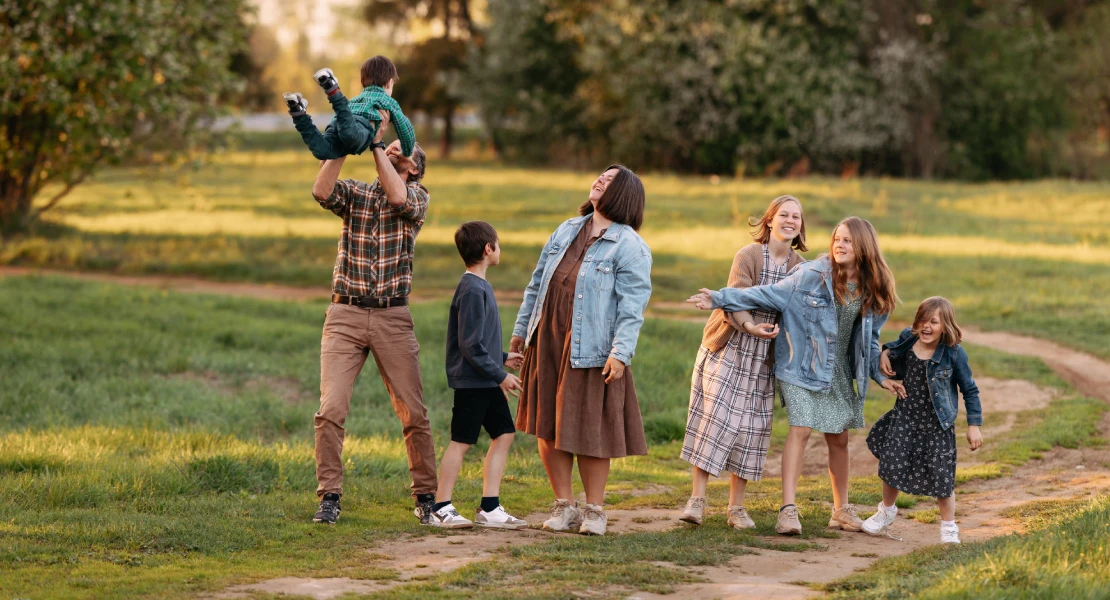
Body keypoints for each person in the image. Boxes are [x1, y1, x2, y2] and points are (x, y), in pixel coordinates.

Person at [687, 216, 900, 536]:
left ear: (864, 247)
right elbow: (767, 294)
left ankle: (840, 510)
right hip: (802, 364)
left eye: (848, 241)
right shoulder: (813, 274)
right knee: (800, 430)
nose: (840, 245)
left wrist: (879, 376)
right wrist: (719, 298)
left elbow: (868, 340)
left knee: (839, 439)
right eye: (837, 239)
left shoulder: (874, 287)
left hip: (838, 371)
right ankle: (788, 510)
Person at [510, 165, 653, 536]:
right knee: (548, 423)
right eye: (600, 176)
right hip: (549, 338)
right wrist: (521, 331)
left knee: (590, 427)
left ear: (624, 194)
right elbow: (536, 285)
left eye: (610, 180)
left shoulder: (631, 246)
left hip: (591, 345)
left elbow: (632, 306)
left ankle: (594, 511)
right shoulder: (565, 230)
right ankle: (564, 506)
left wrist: (621, 353)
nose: (599, 180)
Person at [308, 110, 436, 525]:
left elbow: (397, 197)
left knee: (413, 413)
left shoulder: (418, 197)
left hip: (392, 318)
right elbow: (321, 189)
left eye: (402, 149)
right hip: (344, 313)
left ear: (413, 167)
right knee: (331, 409)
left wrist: (378, 142)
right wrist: (345, 144)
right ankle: (329, 496)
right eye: (390, 145)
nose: (393, 147)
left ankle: (426, 496)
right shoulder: (359, 194)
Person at [679, 195, 807, 529]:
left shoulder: (799, 268)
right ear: (769, 220)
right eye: (783, 215)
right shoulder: (748, 255)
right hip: (731, 346)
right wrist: (750, 325)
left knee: (751, 429)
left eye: (796, 216)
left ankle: (736, 508)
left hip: (764, 359)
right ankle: (697, 499)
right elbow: (734, 298)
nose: (790, 220)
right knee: (716, 419)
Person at [429, 221, 530, 530]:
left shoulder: (479, 285)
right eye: (497, 243)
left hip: (485, 377)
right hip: (474, 381)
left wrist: (501, 358)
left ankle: (490, 508)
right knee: (461, 441)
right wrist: (500, 374)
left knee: (504, 434)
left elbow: (478, 343)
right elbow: (469, 344)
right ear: (489, 249)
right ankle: (440, 507)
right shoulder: (472, 288)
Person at [862, 297, 982, 544]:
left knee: (942, 475)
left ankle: (949, 526)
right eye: (922, 321)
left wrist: (973, 426)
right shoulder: (909, 339)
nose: (927, 327)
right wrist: (885, 352)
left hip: (937, 424)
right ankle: (886, 511)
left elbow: (969, 389)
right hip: (905, 418)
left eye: (934, 322)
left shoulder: (954, 354)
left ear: (945, 325)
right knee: (892, 465)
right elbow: (892, 348)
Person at [284, 55, 416, 161]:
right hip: (357, 130)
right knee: (344, 136)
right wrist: (407, 152)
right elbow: (405, 128)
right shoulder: (387, 101)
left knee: (321, 151)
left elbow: (343, 114)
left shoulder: (356, 99)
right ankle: (332, 88)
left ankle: (298, 111)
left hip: (337, 125)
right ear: (389, 82)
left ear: (363, 81)